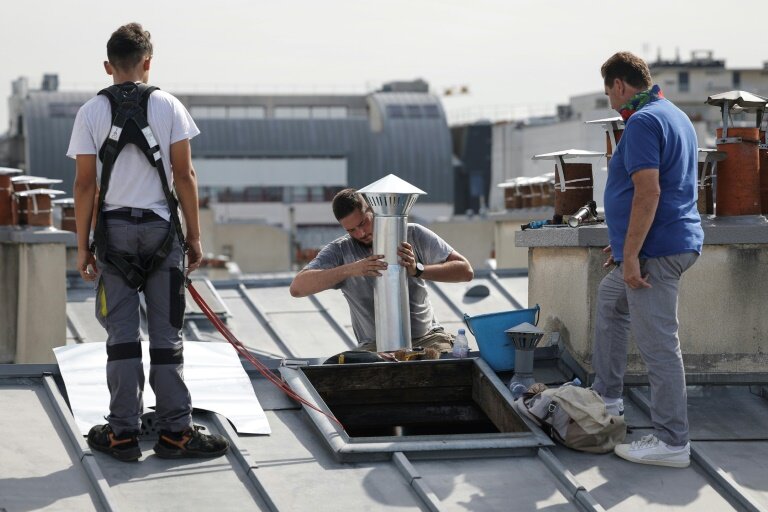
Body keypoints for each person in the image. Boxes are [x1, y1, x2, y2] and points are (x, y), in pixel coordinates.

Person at [68, 23, 228, 462]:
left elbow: (85, 185)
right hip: (161, 232)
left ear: (107, 66)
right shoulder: (170, 106)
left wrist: (82, 247)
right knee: (166, 335)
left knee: (121, 337)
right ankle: (176, 431)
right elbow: (184, 175)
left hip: (113, 233)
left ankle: (122, 433)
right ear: (148, 62)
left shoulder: (90, 113)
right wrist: (194, 236)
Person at [591, 52, 703, 468]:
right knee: (610, 300)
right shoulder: (673, 113)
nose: (611, 103)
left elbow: (649, 192)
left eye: (608, 93)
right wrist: (623, 243)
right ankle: (608, 399)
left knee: (658, 345)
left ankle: (673, 442)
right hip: (660, 243)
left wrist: (633, 253)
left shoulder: (641, 122)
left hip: (657, 252)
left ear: (619, 85)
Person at [289, 188, 474, 352]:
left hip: (428, 339)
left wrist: (418, 269)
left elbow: (465, 271)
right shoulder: (340, 250)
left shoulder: (413, 234)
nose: (360, 234)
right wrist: (350, 270)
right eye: (351, 230)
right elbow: (297, 288)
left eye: (362, 223)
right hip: (373, 347)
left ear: (373, 210)